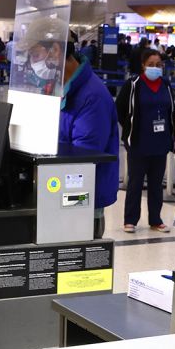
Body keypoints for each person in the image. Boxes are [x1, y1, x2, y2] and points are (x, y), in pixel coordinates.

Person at [57, 34, 120, 238]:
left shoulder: (92, 96)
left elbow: (85, 159)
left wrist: (61, 201)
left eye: (37, 56)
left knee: (79, 266)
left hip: (82, 204)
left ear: (56, 53)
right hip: (61, 197)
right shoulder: (62, 88)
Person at [117, 49, 175, 233]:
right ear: (143, 65)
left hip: (160, 142)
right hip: (139, 143)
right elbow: (119, 109)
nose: (155, 68)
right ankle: (130, 220)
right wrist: (129, 129)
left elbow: (171, 111)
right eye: (151, 64)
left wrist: (171, 137)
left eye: (158, 65)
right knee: (135, 182)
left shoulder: (166, 85)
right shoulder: (133, 84)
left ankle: (155, 219)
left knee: (156, 184)